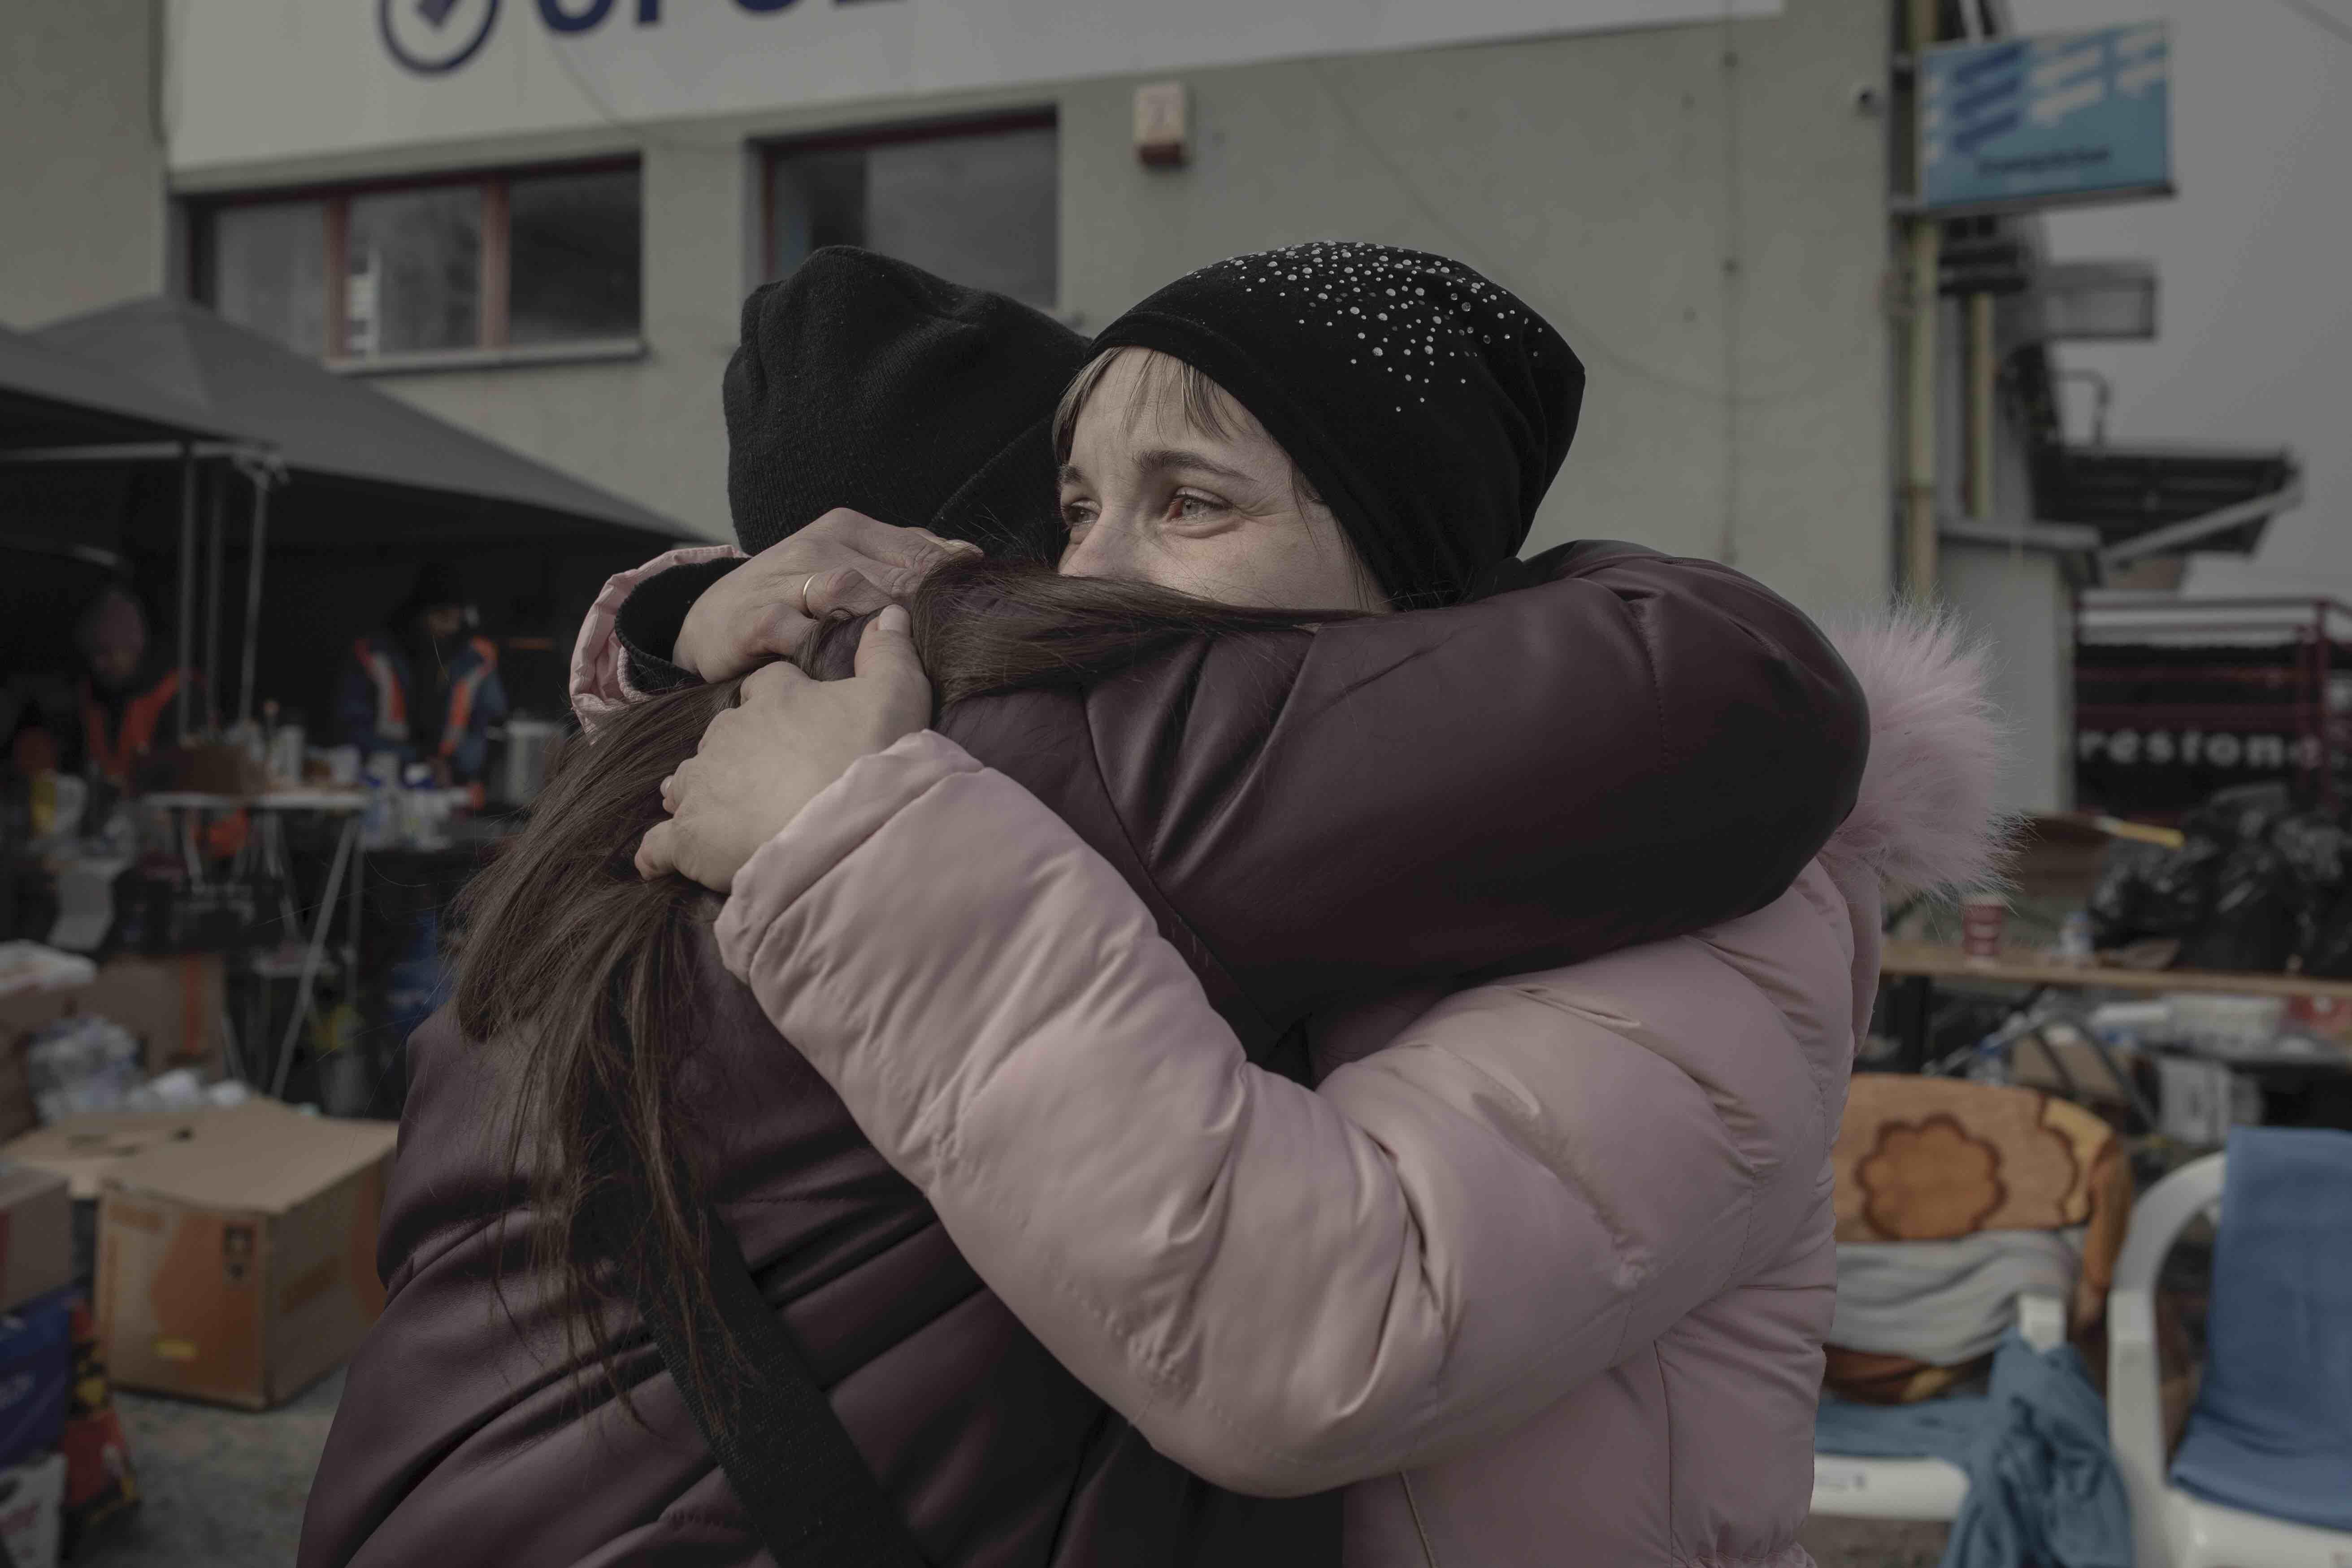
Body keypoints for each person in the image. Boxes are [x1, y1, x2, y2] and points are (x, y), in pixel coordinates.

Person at [303, 248, 1876, 1568]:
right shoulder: (1130, 786)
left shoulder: (1713, 923)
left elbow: (1330, 1329)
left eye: (1189, 500)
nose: (1087, 568)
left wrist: (736, 702)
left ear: (1415, 610)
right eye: (1070, 507)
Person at [339, 561, 507, 792]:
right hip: (381, 785)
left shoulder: (477, 660)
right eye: (441, 616)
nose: (448, 628)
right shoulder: (375, 654)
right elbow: (352, 729)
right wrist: (415, 758)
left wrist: (454, 767)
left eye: (456, 618)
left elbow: (489, 729)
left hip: (454, 790)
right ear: (419, 615)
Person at [69, 582, 183, 789]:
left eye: (106, 652)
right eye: (92, 654)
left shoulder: (178, 694)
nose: (98, 664)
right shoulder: (92, 695)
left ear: (134, 648)